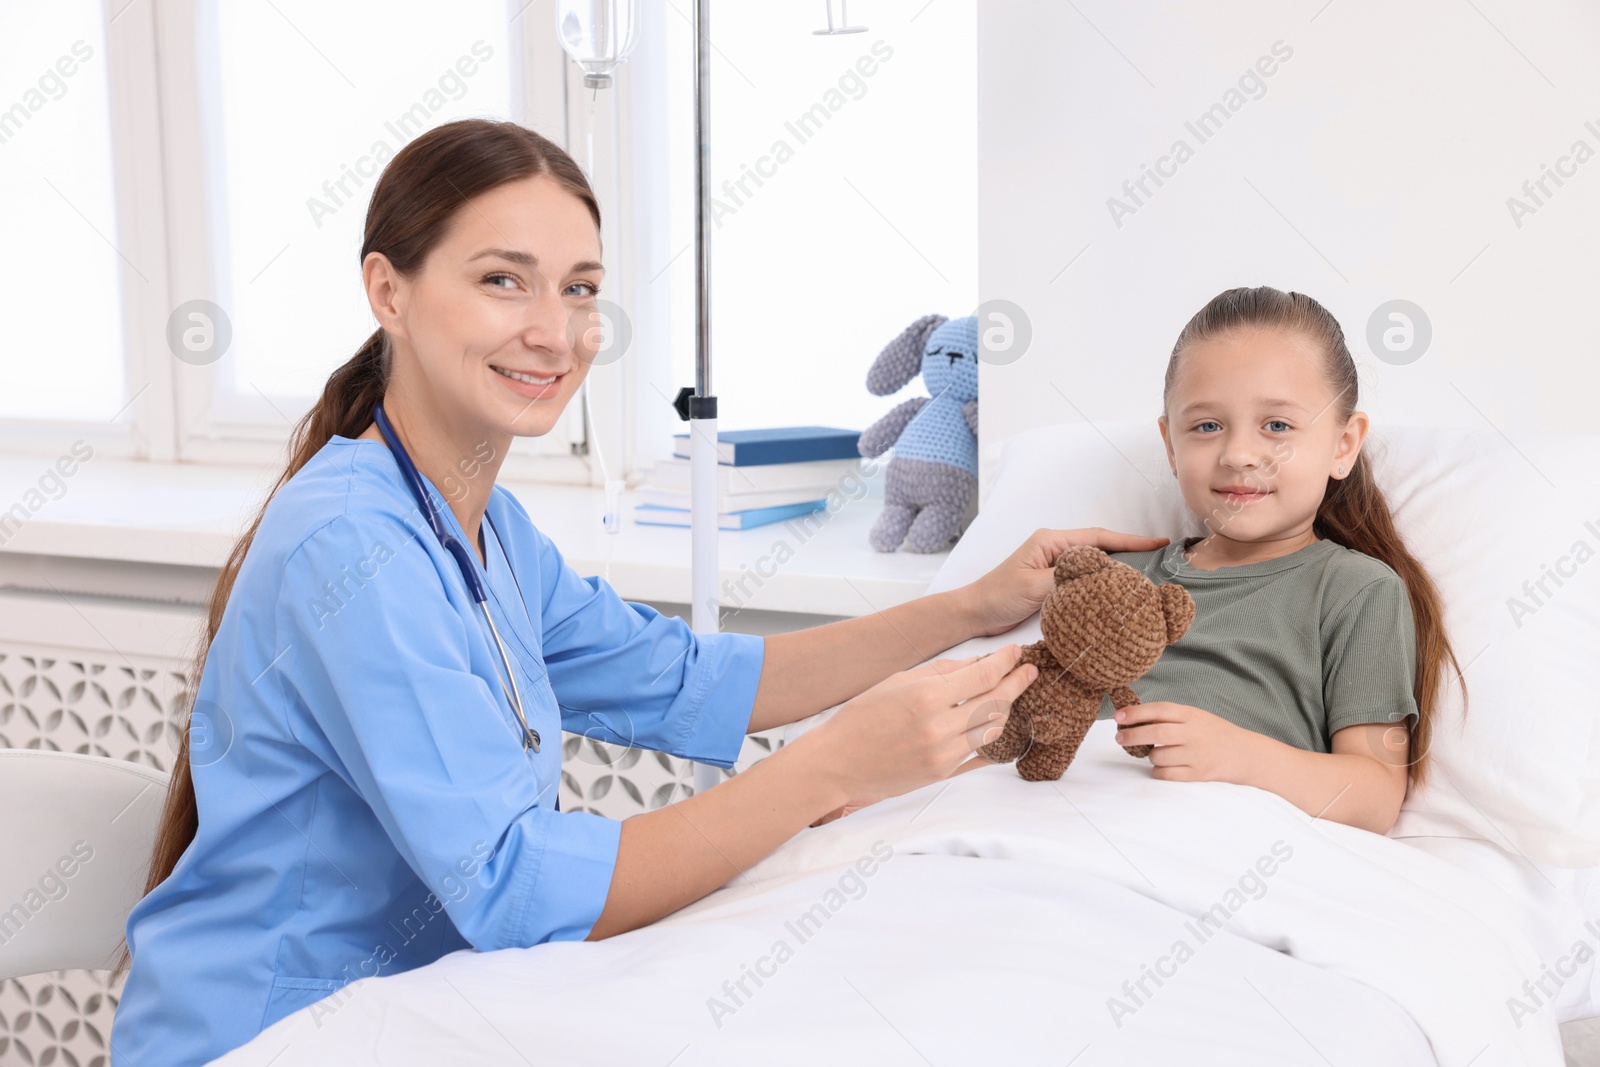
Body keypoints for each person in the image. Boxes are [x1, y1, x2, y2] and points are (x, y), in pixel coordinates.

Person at [107, 118, 1167, 1066]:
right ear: (388, 289)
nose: (554, 330)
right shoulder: (352, 543)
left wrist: (974, 603)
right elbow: (513, 883)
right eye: (501, 280)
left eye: (578, 287)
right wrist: (830, 768)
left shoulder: (487, 530)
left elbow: (697, 679)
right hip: (273, 1030)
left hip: (418, 1005)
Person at [966, 285, 1467, 835]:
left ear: (1343, 445)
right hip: (1048, 824)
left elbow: (1373, 796)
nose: (1238, 455)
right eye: (1207, 426)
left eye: (1277, 425)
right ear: (1170, 445)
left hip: (1208, 841)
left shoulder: (1354, 590)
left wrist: (1240, 756)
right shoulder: (1117, 580)